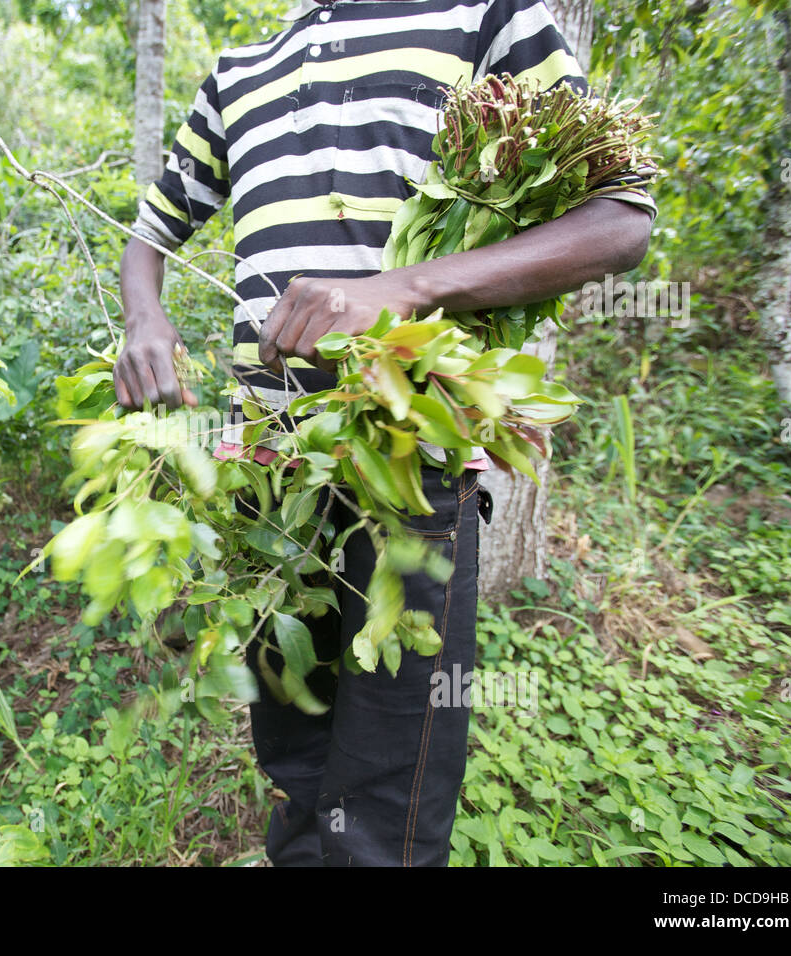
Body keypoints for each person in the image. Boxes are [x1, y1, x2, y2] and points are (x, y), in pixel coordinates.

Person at [115, 0, 655, 866]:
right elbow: (150, 234)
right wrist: (145, 318)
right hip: (268, 476)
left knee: (388, 791)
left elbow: (620, 219)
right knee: (291, 758)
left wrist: (404, 288)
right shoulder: (238, 69)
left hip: (410, 464)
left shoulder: (490, 20)